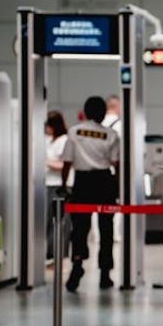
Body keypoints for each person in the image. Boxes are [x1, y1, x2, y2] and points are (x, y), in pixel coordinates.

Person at [61, 97, 120, 292]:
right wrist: (118, 188)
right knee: (106, 230)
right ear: (103, 113)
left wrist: (64, 185)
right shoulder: (111, 134)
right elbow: (115, 164)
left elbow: (67, 162)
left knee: (79, 229)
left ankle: (77, 267)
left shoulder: (74, 131)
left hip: (82, 183)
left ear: (85, 112)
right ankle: (105, 274)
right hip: (104, 182)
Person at [45, 110, 70, 261]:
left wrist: (46, 162)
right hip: (47, 183)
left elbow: (64, 164)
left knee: (60, 221)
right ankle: (49, 252)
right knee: (48, 220)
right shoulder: (49, 140)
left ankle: (59, 254)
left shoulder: (64, 140)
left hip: (58, 184)